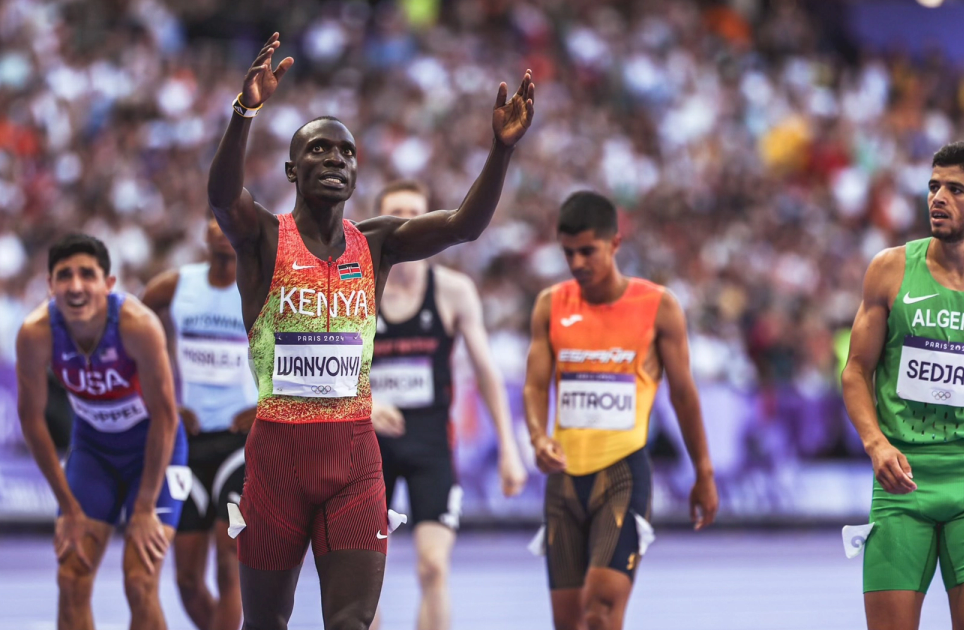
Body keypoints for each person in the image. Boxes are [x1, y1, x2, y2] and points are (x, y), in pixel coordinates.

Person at [206, 32, 534, 630]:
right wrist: (244, 112)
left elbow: (463, 226)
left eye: (345, 153)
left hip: (355, 460)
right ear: (291, 169)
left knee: (353, 623)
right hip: (277, 458)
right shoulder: (262, 240)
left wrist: (501, 151)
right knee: (264, 624)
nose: (334, 159)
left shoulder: (377, 243)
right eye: (318, 151)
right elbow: (223, 198)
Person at [841, 141, 964, 630]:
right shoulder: (890, 270)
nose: (937, 198)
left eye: (955, 189)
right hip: (902, 477)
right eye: (933, 186)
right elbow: (856, 369)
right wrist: (875, 443)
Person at [523, 191, 718, 630]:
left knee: (600, 611)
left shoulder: (658, 306)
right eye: (567, 253)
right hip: (563, 482)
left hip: (623, 476)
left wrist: (703, 472)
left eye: (587, 251)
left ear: (615, 243)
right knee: (568, 622)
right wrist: (538, 437)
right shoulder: (550, 305)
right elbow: (535, 385)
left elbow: (684, 396)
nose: (576, 263)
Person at [368, 180, 528, 630]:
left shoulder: (453, 292)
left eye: (414, 214)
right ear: (379, 224)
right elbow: (332, 366)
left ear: (430, 225)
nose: (405, 222)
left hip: (431, 444)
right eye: (394, 213)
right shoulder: (357, 290)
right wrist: (368, 401)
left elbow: (485, 372)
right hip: (367, 446)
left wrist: (510, 451)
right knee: (363, 576)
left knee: (433, 567)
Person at [15, 233, 189, 630]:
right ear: (49, 285)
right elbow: (31, 421)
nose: (75, 286)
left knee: (140, 580)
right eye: (64, 276)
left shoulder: (138, 325)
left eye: (87, 275)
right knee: (71, 577)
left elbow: (165, 416)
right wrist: (69, 508)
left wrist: (144, 507)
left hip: (155, 453)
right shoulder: (36, 333)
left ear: (108, 285)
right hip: (93, 454)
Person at [142, 213, 257, 630]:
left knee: (230, 561)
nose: (222, 229)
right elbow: (131, 325)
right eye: (214, 221)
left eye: (231, 223)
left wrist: (263, 406)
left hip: (238, 445)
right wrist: (165, 397)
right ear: (204, 233)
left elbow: (300, 347)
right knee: (188, 579)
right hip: (187, 442)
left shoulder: (260, 289)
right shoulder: (178, 286)